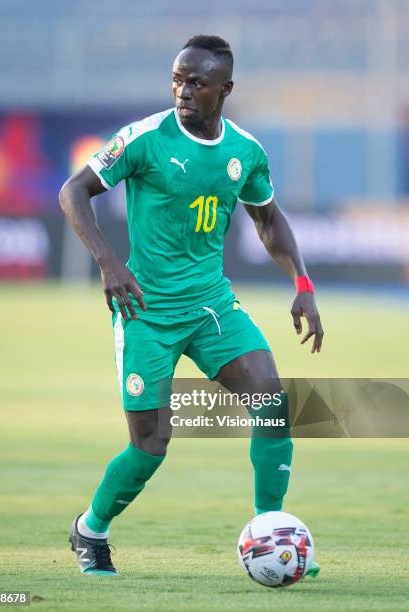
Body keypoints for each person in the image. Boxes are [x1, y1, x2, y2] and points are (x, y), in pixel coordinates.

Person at [59, 34, 323, 576]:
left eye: (196, 83)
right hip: (146, 314)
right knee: (150, 447)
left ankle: (271, 536)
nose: (183, 91)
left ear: (224, 89)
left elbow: (268, 220)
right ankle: (91, 530)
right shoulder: (145, 139)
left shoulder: (244, 152)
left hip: (211, 308)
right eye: (177, 79)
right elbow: (73, 192)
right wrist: (110, 265)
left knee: (273, 403)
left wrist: (303, 284)